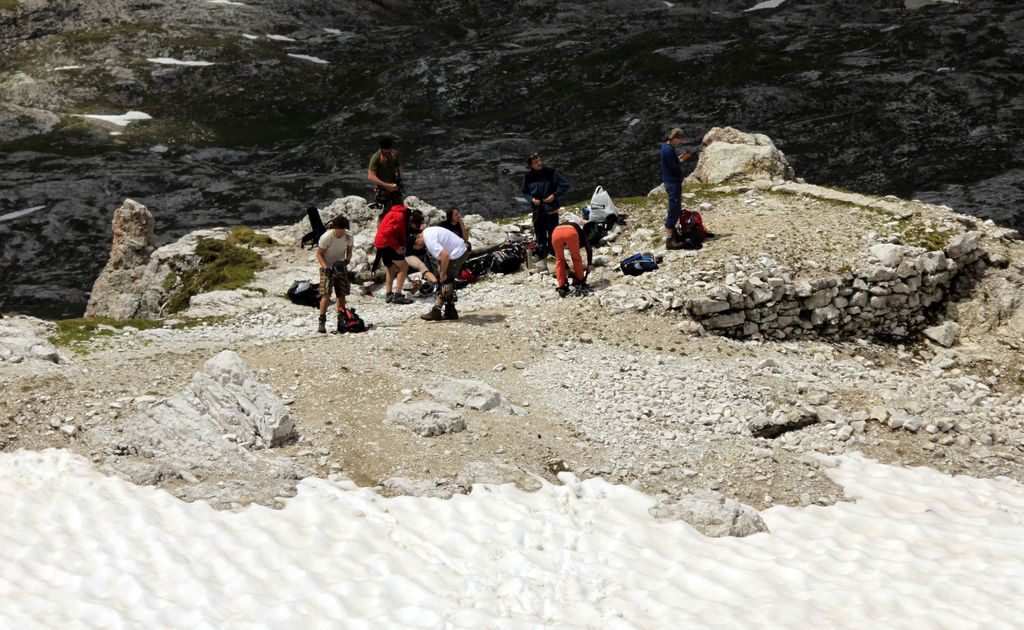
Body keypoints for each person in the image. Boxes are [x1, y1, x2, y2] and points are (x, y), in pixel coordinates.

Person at [521, 152, 569, 265]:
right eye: (536, 162)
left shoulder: (551, 172)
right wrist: (531, 199)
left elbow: (565, 185)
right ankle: (543, 259)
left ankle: (556, 259)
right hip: (537, 211)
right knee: (540, 235)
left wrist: (554, 195)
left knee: (554, 235)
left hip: (551, 209)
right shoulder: (528, 177)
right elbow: (524, 192)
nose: (539, 163)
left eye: (539, 160)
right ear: (531, 165)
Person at [416, 225, 469, 321]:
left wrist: (443, 273)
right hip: (459, 249)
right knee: (447, 281)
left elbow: (445, 255)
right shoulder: (428, 232)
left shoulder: (429, 240)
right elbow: (442, 252)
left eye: (416, 246)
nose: (418, 248)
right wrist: (441, 269)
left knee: (446, 281)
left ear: (417, 240)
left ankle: (437, 311)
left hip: (458, 252)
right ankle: (450, 310)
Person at [315, 215, 354, 333]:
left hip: (340, 266)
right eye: (340, 230)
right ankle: (321, 323)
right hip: (327, 267)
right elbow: (319, 254)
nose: (342, 232)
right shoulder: (326, 237)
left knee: (341, 294)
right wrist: (325, 267)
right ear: (335, 228)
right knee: (326, 295)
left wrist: (347, 260)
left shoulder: (348, 235)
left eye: (344, 229)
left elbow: (349, 251)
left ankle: (340, 321)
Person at [660, 128, 697, 249]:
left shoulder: (666, 148)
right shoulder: (669, 150)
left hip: (669, 181)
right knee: (674, 209)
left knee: (675, 207)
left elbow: (671, 162)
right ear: (674, 138)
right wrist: (683, 159)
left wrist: (679, 157)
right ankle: (669, 239)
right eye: (679, 140)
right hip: (673, 182)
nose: (680, 142)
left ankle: (673, 234)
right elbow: (673, 167)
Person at [373, 204, 413, 304]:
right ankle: (398, 295)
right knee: (404, 267)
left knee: (391, 267)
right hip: (388, 244)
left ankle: (389, 294)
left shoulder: (393, 213)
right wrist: (397, 247)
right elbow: (387, 232)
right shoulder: (399, 216)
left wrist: (402, 245)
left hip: (380, 243)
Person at [550, 217, 593, 297]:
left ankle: (562, 286)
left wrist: (566, 268)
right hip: (570, 232)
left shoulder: (569, 225)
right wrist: (589, 264)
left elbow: (554, 253)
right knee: (576, 257)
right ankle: (580, 281)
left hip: (555, 232)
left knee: (559, 259)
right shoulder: (581, 232)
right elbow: (589, 248)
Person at [368, 136, 403, 213]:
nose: (387, 153)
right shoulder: (376, 157)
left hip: (394, 186)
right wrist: (386, 185)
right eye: (385, 151)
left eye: (389, 150)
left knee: (400, 209)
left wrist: (399, 180)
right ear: (380, 147)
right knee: (384, 213)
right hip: (382, 189)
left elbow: (399, 167)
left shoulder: (394, 154)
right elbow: (371, 176)